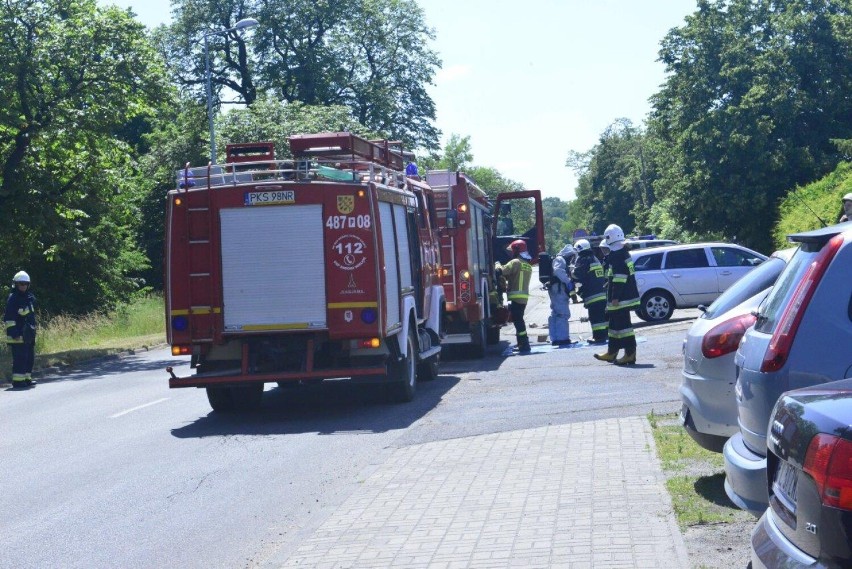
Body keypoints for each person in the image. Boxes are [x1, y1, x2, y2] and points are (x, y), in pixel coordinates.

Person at [593, 224, 640, 365]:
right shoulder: (622, 252)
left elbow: (620, 278)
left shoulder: (618, 255)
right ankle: (612, 352)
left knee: (624, 328)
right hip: (624, 296)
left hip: (621, 299)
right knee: (614, 327)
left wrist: (615, 297)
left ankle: (630, 354)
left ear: (609, 238)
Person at [495, 239, 533, 353]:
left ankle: (524, 344)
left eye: (512, 251)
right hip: (523, 298)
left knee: (518, 322)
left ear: (517, 250)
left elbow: (500, 271)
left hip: (515, 297)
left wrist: (497, 263)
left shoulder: (515, 262)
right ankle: (521, 343)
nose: (510, 253)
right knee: (518, 320)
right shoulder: (527, 265)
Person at [571, 238, 608, 344]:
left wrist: (571, 271)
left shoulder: (583, 259)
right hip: (601, 293)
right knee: (601, 317)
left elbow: (577, 274)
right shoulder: (594, 258)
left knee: (595, 318)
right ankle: (604, 336)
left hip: (592, 295)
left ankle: (598, 337)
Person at [5, 271, 37, 388]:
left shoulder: (29, 298)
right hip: (18, 335)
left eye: (25, 284)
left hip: (28, 334)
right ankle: (18, 381)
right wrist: (14, 333)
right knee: (20, 359)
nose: (23, 286)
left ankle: (27, 378)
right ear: (16, 284)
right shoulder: (13, 299)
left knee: (29, 358)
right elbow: (9, 318)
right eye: (21, 284)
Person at [547, 244, 575, 346]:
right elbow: (558, 271)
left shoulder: (559, 259)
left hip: (556, 288)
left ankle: (555, 338)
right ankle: (562, 338)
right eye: (571, 256)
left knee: (555, 313)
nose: (572, 258)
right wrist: (568, 281)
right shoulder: (560, 259)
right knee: (563, 313)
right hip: (558, 289)